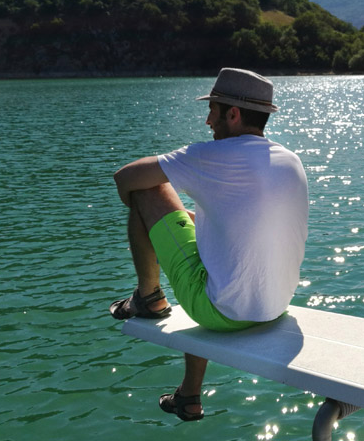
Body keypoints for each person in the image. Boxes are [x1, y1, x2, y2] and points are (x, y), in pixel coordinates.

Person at [109, 68, 309, 422]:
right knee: (213, 257)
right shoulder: (290, 161)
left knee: (149, 187)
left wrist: (147, 217)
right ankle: (189, 395)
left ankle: (149, 298)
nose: (207, 120)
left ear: (232, 114)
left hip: (226, 315)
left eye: (213, 110)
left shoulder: (211, 157)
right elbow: (247, 226)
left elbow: (125, 178)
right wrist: (185, 220)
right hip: (275, 306)